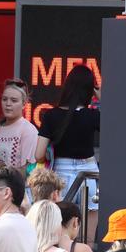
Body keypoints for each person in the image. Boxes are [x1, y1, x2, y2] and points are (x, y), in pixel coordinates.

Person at [34, 64, 100, 241]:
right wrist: (97, 94)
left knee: (59, 231)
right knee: (88, 237)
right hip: (89, 172)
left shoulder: (50, 115)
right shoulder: (92, 115)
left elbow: (38, 154)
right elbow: (116, 119)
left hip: (61, 174)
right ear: (88, 91)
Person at [0, 79, 38, 177]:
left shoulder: (28, 130)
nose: (8, 104)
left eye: (14, 100)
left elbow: (29, 171)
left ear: (24, 104)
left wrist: (3, 172)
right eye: (4, 99)